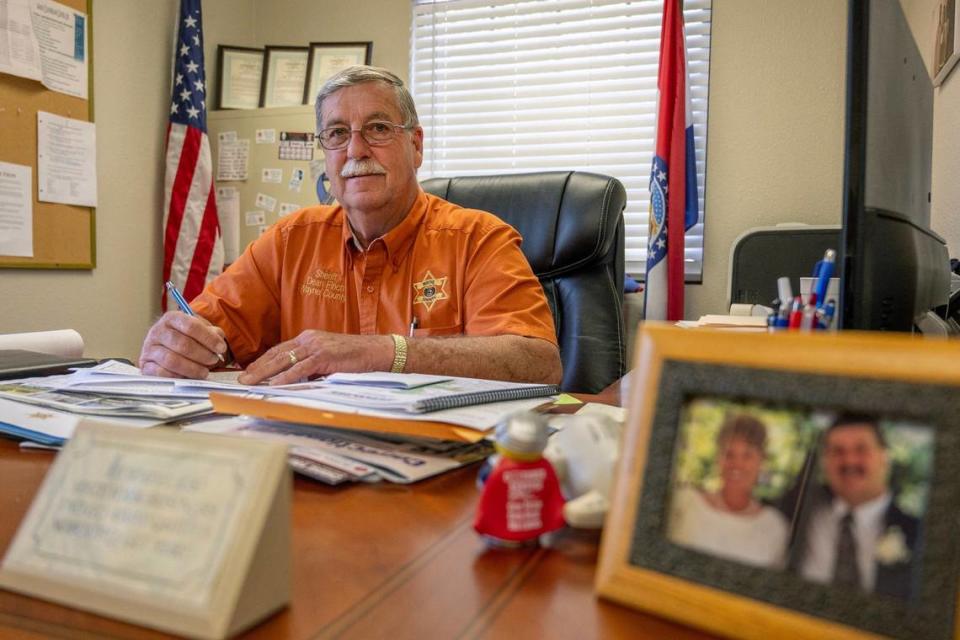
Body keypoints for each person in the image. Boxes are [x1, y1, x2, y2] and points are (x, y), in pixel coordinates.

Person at [139, 66, 561, 386]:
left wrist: (383, 351)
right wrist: (175, 345)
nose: (356, 150)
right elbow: (209, 331)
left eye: (377, 128)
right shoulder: (291, 241)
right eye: (337, 133)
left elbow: (537, 362)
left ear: (415, 146)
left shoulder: (478, 239)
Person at [790, 413, 921, 599]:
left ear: (885, 457)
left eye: (861, 449)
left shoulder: (919, 535)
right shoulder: (798, 509)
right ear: (825, 461)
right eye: (837, 451)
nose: (849, 461)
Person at [668, 414, 789, 568]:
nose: (736, 464)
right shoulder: (685, 502)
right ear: (718, 458)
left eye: (747, 455)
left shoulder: (775, 527)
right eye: (729, 454)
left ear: (761, 461)